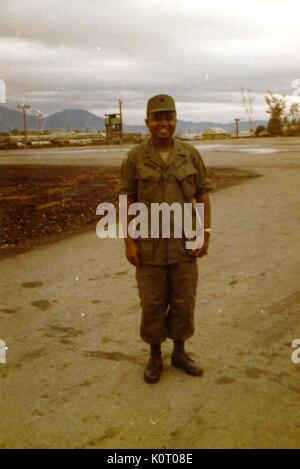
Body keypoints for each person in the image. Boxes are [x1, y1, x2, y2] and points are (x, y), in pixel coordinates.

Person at [117, 94, 213, 383]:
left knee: (184, 301)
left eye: (168, 117)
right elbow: (126, 199)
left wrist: (204, 234)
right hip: (149, 247)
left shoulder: (190, 154)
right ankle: (155, 355)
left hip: (184, 245)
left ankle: (180, 352)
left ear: (175, 120)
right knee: (153, 303)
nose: (163, 123)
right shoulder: (135, 158)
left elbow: (203, 195)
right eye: (157, 118)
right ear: (147, 122)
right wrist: (129, 241)